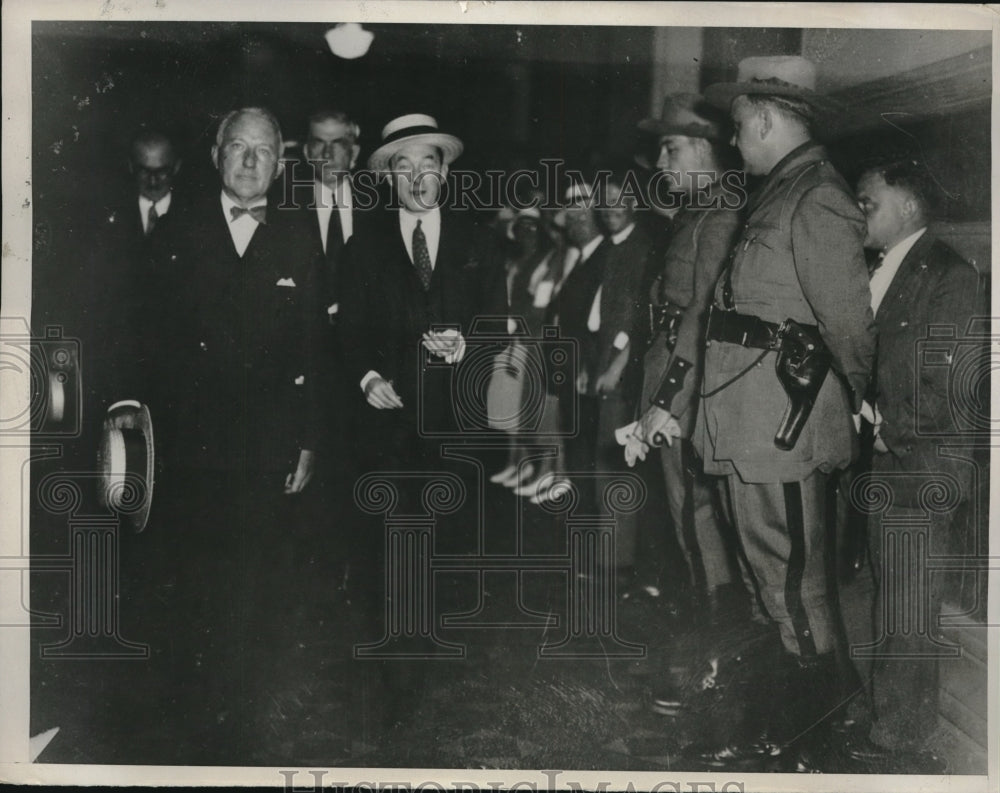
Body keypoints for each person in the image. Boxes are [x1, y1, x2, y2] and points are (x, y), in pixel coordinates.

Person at [693, 56, 877, 767]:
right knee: (770, 579)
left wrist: (861, 399)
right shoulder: (781, 192)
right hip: (749, 422)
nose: (736, 142)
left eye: (739, 128)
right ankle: (790, 719)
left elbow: (849, 323)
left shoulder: (819, 196)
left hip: (785, 425)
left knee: (796, 582)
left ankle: (819, 737)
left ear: (765, 119)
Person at [130, 107, 328, 737]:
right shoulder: (177, 231)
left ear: (280, 161)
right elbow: (148, 344)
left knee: (258, 584)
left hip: (269, 446)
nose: (248, 162)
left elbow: (316, 350)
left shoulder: (300, 237)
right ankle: (189, 716)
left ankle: (239, 723)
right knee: (192, 583)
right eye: (237, 148)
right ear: (216, 154)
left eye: (263, 151)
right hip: (190, 446)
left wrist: (308, 442)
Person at [845, 159, 982, 772]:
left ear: (906, 206)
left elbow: (952, 382)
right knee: (885, 594)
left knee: (908, 605)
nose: (858, 214)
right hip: (890, 458)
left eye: (867, 202)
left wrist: (882, 430)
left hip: (920, 461)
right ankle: (884, 712)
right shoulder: (886, 268)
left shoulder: (947, 274)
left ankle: (902, 741)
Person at [632, 94, 747, 618]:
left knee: (698, 514)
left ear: (703, 149)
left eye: (670, 150)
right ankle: (712, 629)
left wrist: (669, 397)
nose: (661, 164)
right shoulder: (695, 212)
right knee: (686, 513)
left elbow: (703, 312)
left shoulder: (722, 214)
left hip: (689, 385)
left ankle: (718, 635)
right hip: (670, 370)